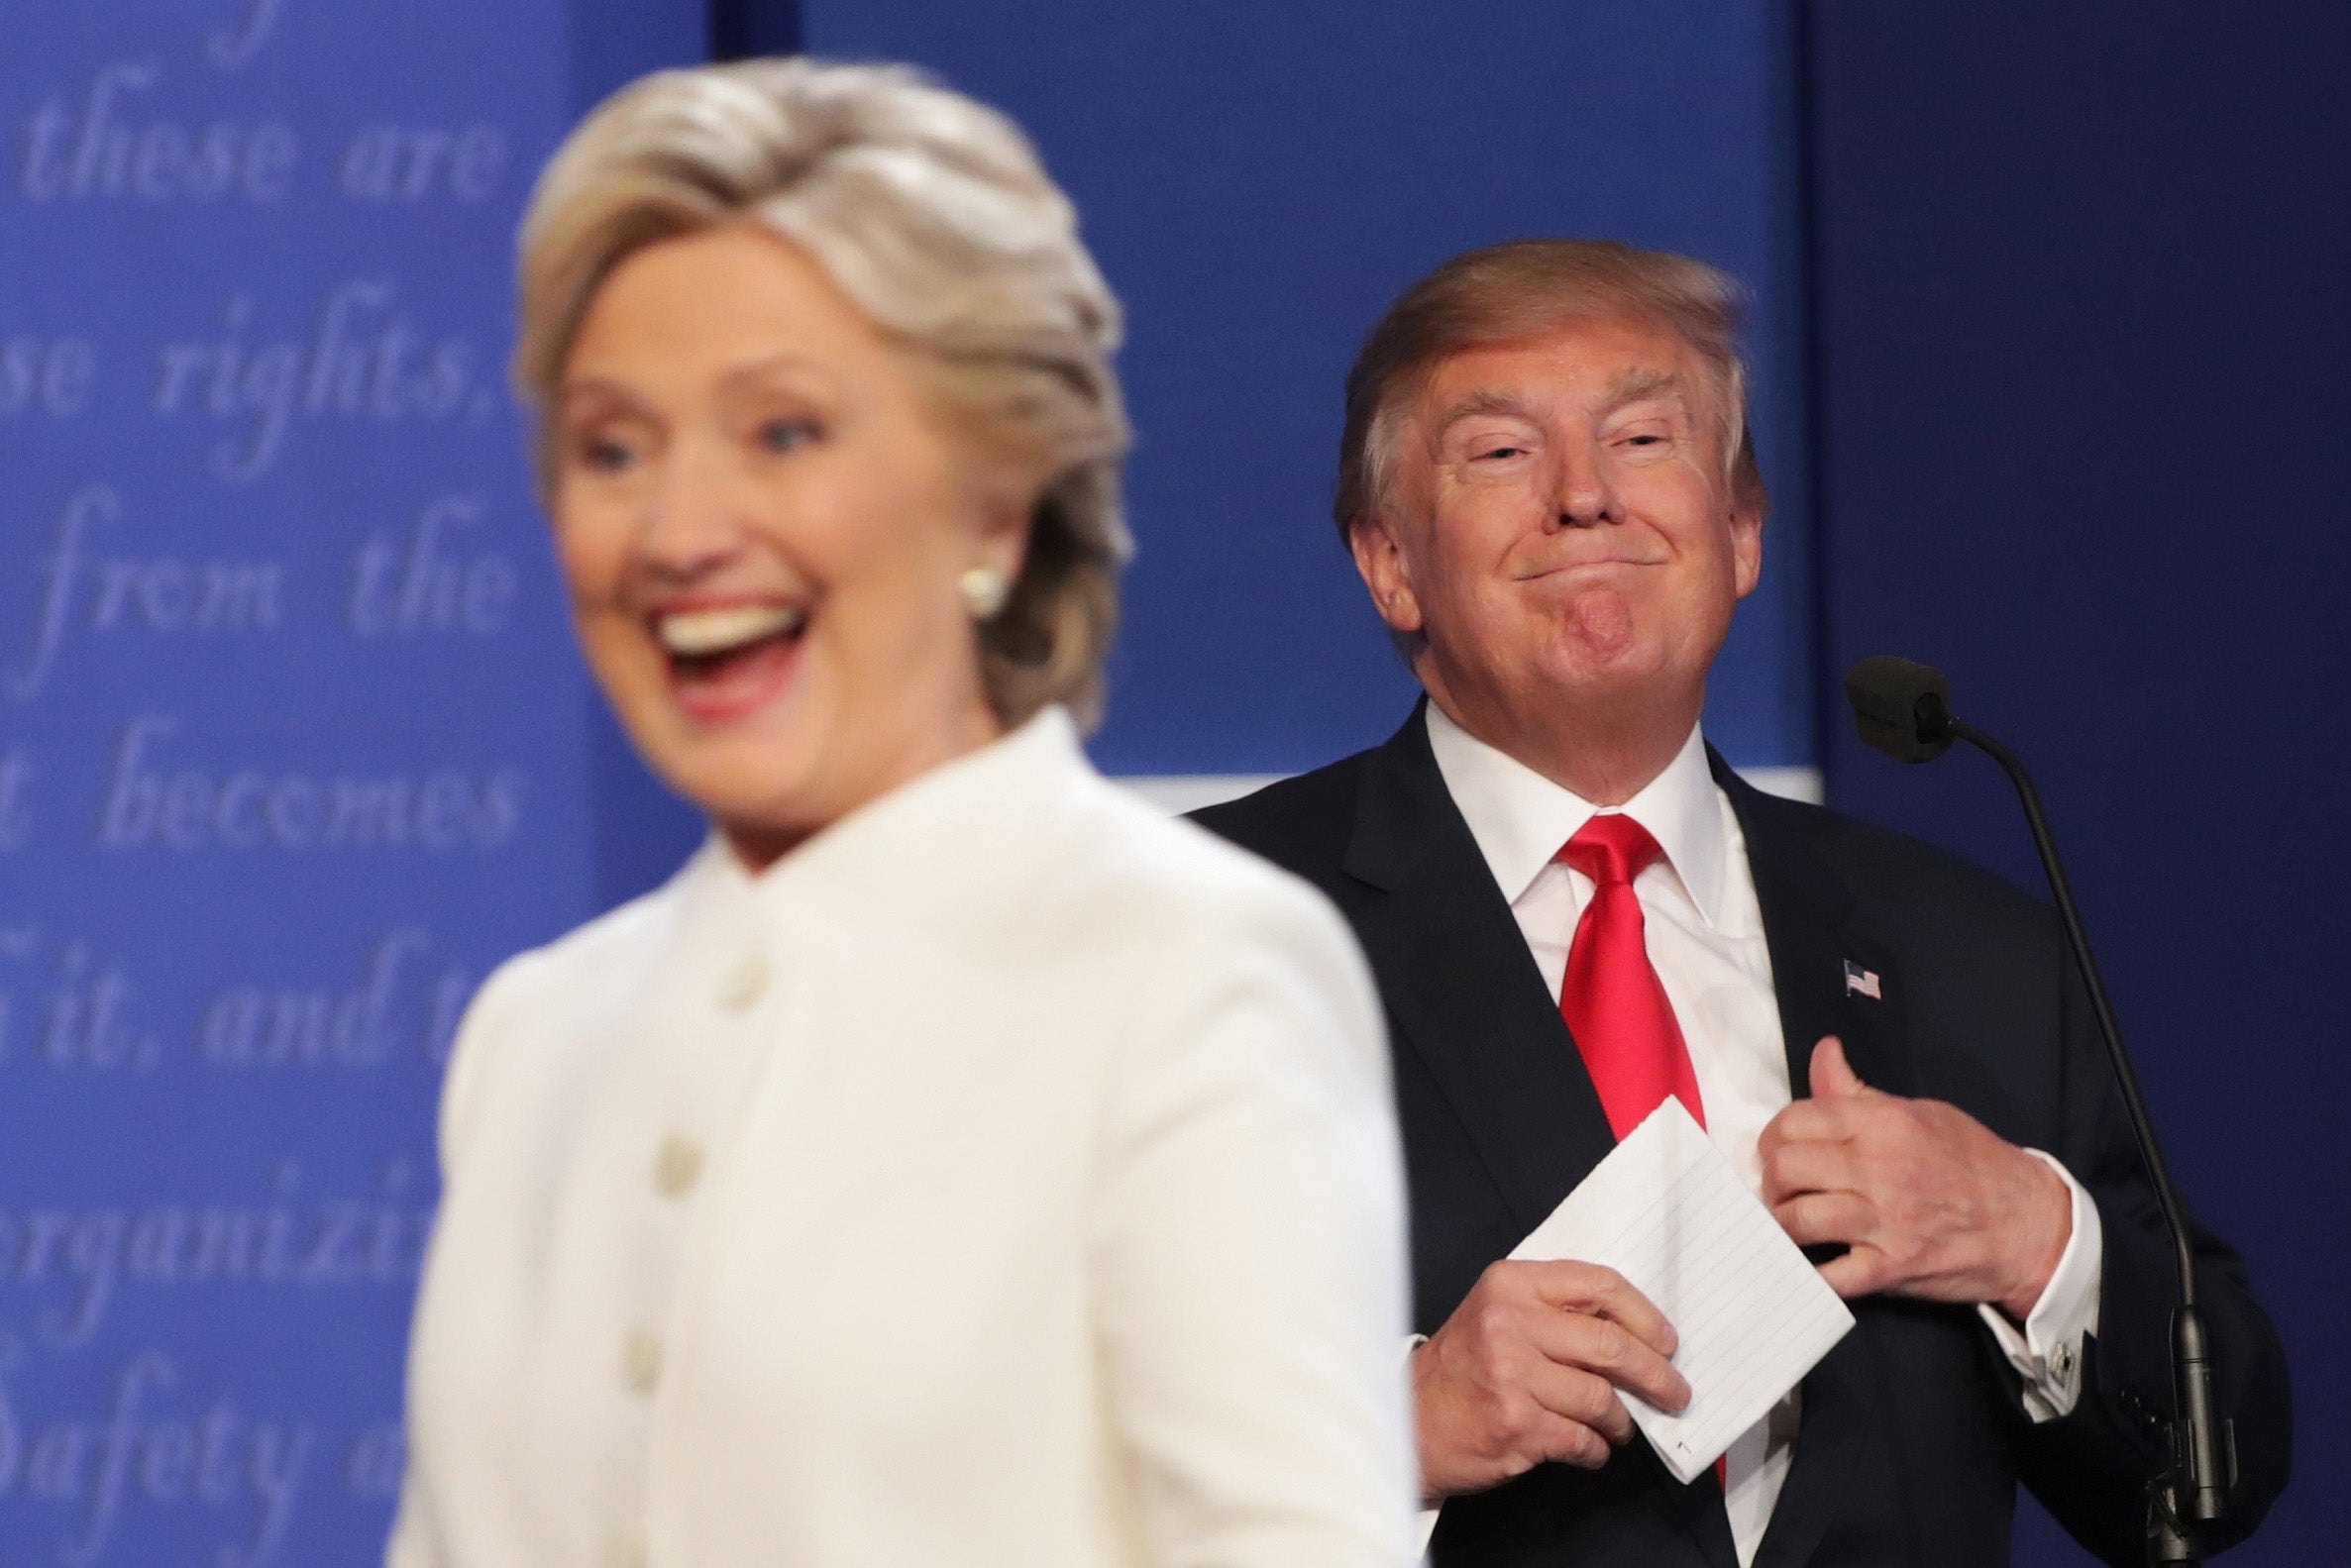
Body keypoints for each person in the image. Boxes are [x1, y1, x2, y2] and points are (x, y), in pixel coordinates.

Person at [387, 59, 1417, 1568]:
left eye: (783, 433)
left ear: (995, 500)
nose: (677, 533)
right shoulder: (537, 1035)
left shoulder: (1188, 973)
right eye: (614, 449)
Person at [1194, 239, 2290, 1567]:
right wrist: (1387, 1426)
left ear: (1741, 533)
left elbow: (2209, 1473)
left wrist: (2027, 1235)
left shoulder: (1968, 950)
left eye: (1642, 438)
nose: (1584, 497)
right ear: (1388, 564)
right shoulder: (1194, 935)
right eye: (1497, 453)